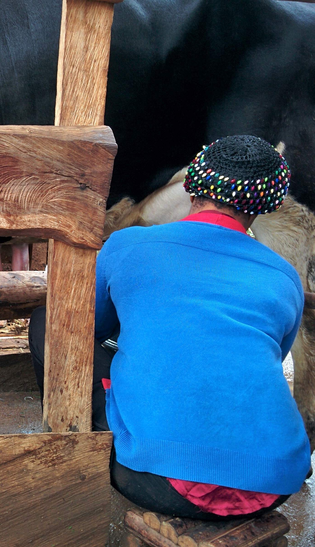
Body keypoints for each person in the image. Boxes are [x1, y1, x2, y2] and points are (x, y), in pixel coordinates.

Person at [29, 135, 312, 519]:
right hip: (274, 483)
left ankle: (64, 447)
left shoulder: (127, 244)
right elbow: (267, 353)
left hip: (162, 482)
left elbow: (86, 328)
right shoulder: (284, 276)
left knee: (49, 323)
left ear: (191, 185)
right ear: (269, 203)